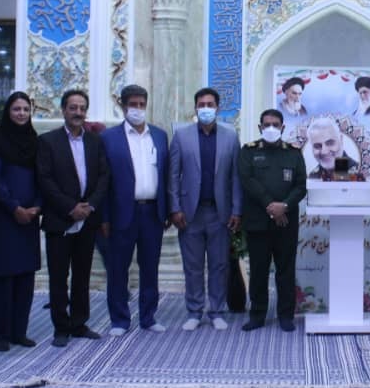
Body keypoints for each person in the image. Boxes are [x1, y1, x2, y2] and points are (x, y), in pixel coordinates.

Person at [37, 89, 111, 347]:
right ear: (63, 110)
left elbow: (104, 176)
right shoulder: (48, 141)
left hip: (87, 219)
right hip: (60, 219)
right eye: (73, 107)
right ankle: (61, 327)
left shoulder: (95, 141)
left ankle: (79, 323)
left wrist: (90, 206)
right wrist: (70, 207)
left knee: (82, 275)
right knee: (59, 277)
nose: (78, 112)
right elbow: (45, 179)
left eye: (82, 108)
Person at [168, 87, 242, 331]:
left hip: (220, 213)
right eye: (201, 105)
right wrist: (174, 207)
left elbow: (235, 177)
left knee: (219, 265)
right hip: (190, 213)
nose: (206, 109)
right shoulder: (181, 136)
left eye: (210, 104)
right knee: (193, 266)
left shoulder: (231, 136)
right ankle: (194, 311)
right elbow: (173, 175)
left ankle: (217, 311)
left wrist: (236, 210)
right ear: (195, 108)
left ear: (218, 108)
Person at [100, 85, 169, 336]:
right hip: (121, 213)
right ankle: (119, 319)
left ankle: (148, 317)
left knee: (150, 267)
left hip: (152, 212)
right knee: (118, 268)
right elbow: (103, 181)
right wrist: (104, 217)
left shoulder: (159, 136)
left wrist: (167, 210)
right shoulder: (108, 138)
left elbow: (166, 174)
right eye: (133, 105)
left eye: (142, 104)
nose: (138, 109)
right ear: (123, 106)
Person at [0, 92, 41, 351]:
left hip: (29, 218)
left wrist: (36, 206)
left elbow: (43, 177)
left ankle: (19, 332)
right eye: (16, 109)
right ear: (7, 112)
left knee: (25, 276)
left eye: (25, 109)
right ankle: (1, 334)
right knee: (3, 277)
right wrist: (14, 207)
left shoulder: (35, 142)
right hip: (3, 217)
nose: (21, 114)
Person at [238, 109, 307, 332]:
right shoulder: (248, 151)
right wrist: (271, 205)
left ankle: (286, 315)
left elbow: (301, 186)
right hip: (258, 221)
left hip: (286, 221)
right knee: (258, 270)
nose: (271, 128)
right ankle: (257, 315)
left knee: (285, 270)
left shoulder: (294, 153)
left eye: (275, 124)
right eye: (266, 124)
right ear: (260, 127)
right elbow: (247, 180)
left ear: (283, 128)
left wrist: (283, 206)